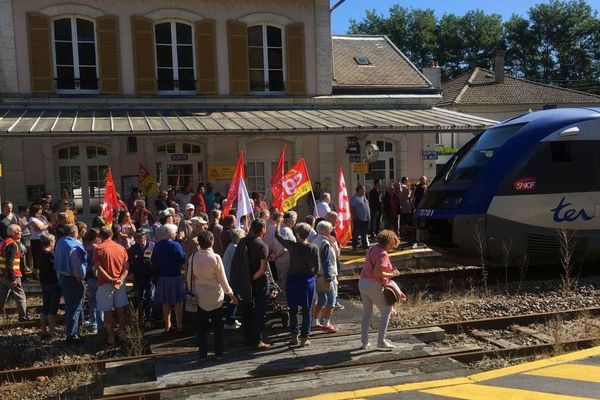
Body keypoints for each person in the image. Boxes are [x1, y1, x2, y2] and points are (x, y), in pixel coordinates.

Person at [187, 230, 238, 360]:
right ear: (212, 242)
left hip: (199, 296)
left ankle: (202, 354)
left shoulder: (193, 257)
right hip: (216, 297)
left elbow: (189, 277)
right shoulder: (215, 258)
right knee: (217, 328)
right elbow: (222, 279)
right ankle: (219, 354)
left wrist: (190, 290)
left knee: (202, 329)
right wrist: (230, 294)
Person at [275, 217, 319, 347]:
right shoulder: (313, 248)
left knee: (293, 309)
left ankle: (294, 336)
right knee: (307, 309)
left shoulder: (292, 246)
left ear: (297, 234)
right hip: (307, 281)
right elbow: (317, 269)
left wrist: (279, 222)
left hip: (293, 279)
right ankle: (305, 337)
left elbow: (277, 235)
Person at [230, 219, 270, 349]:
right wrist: (251, 278)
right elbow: (262, 269)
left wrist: (245, 279)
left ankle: (247, 338)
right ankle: (257, 340)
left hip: (244, 281)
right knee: (259, 312)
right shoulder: (262, 245)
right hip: (257, 282)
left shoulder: (242, 241)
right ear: (262, 229)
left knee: (246, 310)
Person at [359, 230, 402, 350]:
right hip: (373, 284)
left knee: (367, 312)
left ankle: (364, 341)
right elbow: (377, 272)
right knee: (386, 311)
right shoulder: (383, 254)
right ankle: (381, 341)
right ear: (389, 242)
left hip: (363, 282)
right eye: (394, 242)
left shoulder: (372, 248)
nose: (394, 245)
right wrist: (393, 273)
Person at [92, 226, 129, 345]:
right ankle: (123, 333)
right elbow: (126, 266)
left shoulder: (98, 249)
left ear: (100, 236)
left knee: (107, 311)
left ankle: (111, 336)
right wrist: (121, 279)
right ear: (112, 234)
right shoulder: (121, 248)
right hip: (119, 282)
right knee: (120, 309)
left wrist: (110, 279)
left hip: (105, 284)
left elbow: (98, 266)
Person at [55, 224, 87, 344]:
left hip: (63, 278)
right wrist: (81, 277)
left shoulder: (60, 242)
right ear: (75, 232)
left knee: (69, 306)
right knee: (75, 307)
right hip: (73, 279)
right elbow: (78, 266)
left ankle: (73, 332)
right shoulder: (74, 245)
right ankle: (72, 335)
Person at [152, 223, 186, 333]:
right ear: (172, 233)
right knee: (178, 302)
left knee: (165, 302)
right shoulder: (176, 245)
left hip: (163, 276)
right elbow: (182, 259)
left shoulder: (157, 245)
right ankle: (180, 325)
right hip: (175, 275)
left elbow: (154, 260)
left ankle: (167, 326)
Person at [311, 221, 339, 332]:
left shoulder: (315, 240)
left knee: (321, 299)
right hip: (326, 275)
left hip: (317, 274)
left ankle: (314, 321)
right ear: (326, 230)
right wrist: (328, 278)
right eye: (331, 228)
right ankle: (326, 323)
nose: (332, 230)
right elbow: (326, 262)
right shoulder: (325, 243)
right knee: (331, 299)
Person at [0, 224, 28, 321]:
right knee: (20, 296)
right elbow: (9, 262)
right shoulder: (12, 245)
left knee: (2, 296)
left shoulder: (4, 242)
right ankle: (23, 317)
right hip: (13, 275)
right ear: (13, 232)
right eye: (19, 231)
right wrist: (12, 278)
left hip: (3, 275)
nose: (21, 232)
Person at [128, 230, 156, 324]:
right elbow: (129, 263)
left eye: (141, 237)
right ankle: (140, 317)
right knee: (139, 297)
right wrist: (131, 272)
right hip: (138, 277)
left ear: (145, 237)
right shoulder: (132, 249)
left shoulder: (152, 246)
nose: (139, 239)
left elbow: (156, 260)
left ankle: (149, 316)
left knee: (150, 297)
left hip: (150, 276)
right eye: (137, 237)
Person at [222, 228, 245, 329]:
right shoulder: (235, 248)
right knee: (234, 299)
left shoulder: (232, 246)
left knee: (234, 298)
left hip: (229, 276)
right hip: (232, 278)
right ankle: (229, 321)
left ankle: (231, 318)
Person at [38, 232, 60, 338]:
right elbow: (57, 267)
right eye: (54, 240)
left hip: (44, 283)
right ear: (51, 242)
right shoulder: (51, 255)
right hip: (53, 283)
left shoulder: (40, 253)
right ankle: (52, 331)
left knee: (45, 307)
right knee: (53, 309)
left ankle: (43, 330)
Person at [83, 228, 103, 334]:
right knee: (100, 303)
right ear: (96, 238)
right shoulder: (97, 249)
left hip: (90, 278)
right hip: (98, 278)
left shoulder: (86, 248)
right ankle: (100, 326)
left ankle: (93, 323)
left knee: (93, 302)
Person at [28, 204, 50, 270]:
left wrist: (46, 225)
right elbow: (39, 228)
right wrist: (47, 226)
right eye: (40, 210)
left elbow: (48, 224)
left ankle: (41, 270)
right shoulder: (32, 219)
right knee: (37, 257)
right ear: (35, 211)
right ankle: (36, 273)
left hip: (43, 239)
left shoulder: (41, 218)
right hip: (36, 240)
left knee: (42, 256)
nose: (41, 211)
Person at [350, 185, 371, 250]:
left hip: (365, 218)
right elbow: (352, 207)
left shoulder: (364, 197)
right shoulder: (354, 197)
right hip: (358, 218)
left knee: (364, 232)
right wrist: (355, 216)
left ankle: (364, 245)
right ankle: (354, 246)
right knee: (356, 232)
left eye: (364, 190)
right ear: (358, 190)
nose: (364, 191)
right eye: (362, 190)